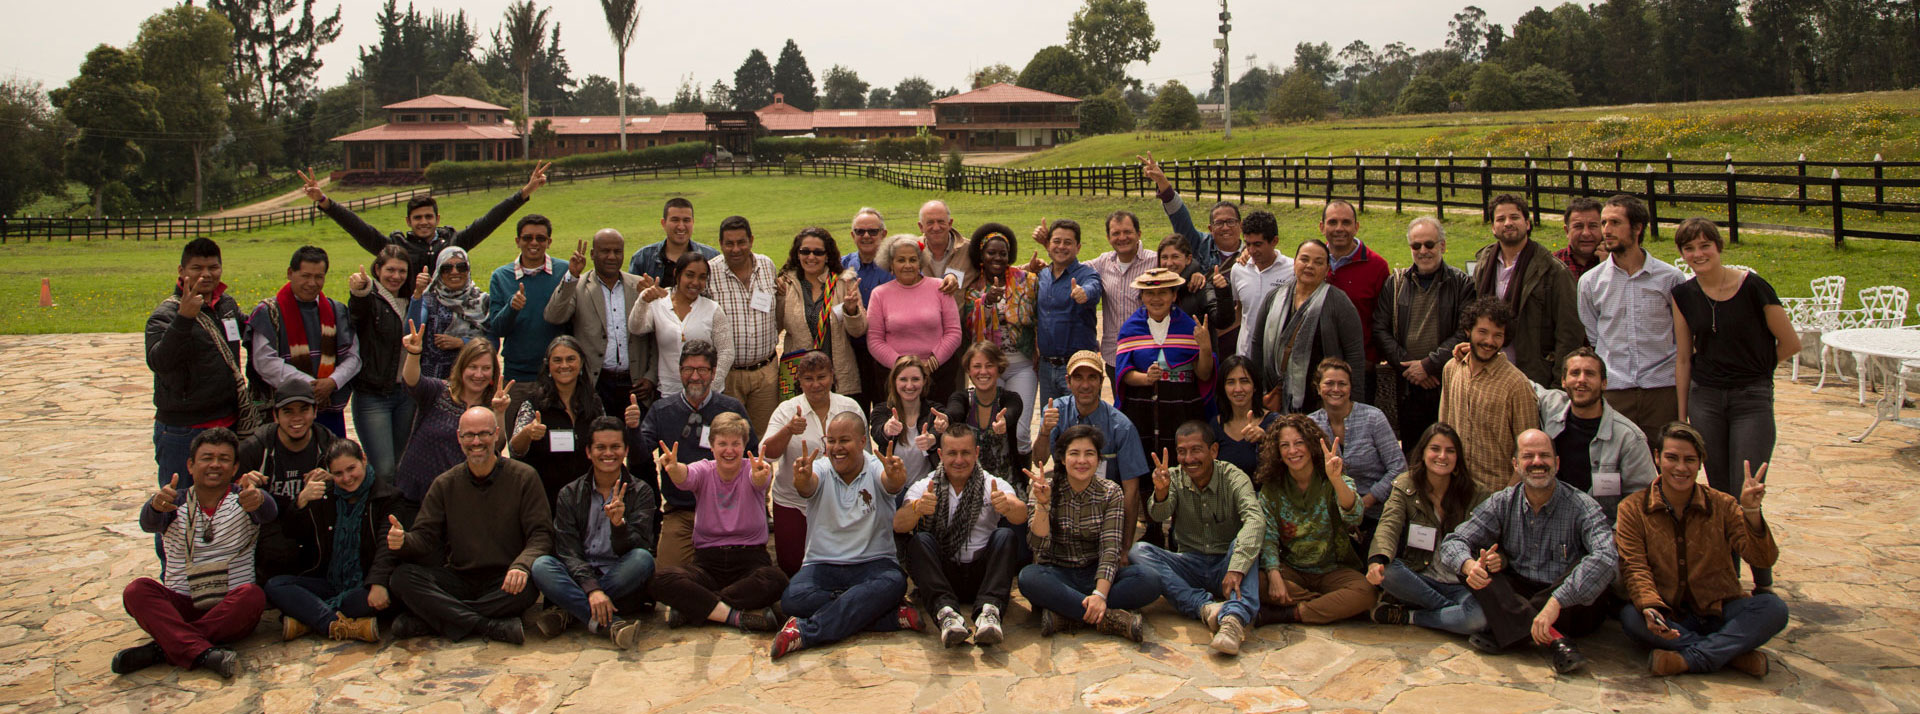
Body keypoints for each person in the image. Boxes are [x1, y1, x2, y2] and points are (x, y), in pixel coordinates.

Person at [1670, 218, 1799, 594]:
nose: (1698, 254)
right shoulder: (1683, 295)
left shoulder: (1753, 287)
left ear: (1718, 247)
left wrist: (1757, 370)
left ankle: (1762, 575)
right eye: (1689, 249)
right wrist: (1682, 417)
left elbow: (1789, 342)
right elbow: (1683, 358)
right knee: (1720, 492)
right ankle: (1729, 576)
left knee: (1749, 490)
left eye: (1704, 246)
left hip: (1751, 399)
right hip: (1706, 398)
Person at [1437, 430, 1618, 675]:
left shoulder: (1581, 505)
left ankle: (1511, 629)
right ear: (1516, 464)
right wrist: (1470, 566)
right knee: (1474, 571)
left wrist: (1557, 602)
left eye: (1544, 455)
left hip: (1568, 606)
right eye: (1528, 456)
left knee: (1588, 568)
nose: (1537, 462)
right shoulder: (1502, 502)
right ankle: (1555, 639)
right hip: (1521, 588)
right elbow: (1453, 542)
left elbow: (1607, 557)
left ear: (1557, 462)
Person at [1616, 422, 1785, 677]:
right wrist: (1650, 606)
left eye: (1689, 460)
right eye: (1672, 458)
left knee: (1774, 609)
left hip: (1720, 609)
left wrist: (1751, 513)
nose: (1681, 468)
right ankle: (1731, 655)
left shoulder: (1723, 505)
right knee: (1632, 617)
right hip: (1670, 613)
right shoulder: (1633, 508)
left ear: (1700, 462)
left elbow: (1762, 557)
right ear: (1657, 457)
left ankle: (1687, 659)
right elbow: (1634, 566)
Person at [113, 428, 274, 679]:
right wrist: (154, 507)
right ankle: (201, 650)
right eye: (207, 458)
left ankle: (163, 648)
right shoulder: (172, 501)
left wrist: (260, 500)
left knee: (253, 596)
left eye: (224, 459)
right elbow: (148, 522)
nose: (215, 465)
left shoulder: (245, 498)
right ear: (190, 465)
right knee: (137, 591)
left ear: (234, 468)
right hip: (182, 604)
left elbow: (268, 511)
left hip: (228, 605)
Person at [385, 407, 553, 644]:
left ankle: (433, 620)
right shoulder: (445, 483)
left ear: (496, 434)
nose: (476, 442)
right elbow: (424, 538)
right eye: (469, 435)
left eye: (483, 434)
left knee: (528, 587)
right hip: (460, 577)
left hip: (504, 578)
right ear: (459, 438)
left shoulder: (524, 477)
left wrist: (522, 565)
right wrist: (403, 541)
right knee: (402, 578)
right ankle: (487, 625)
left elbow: (541, 534)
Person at [769, 413, 920, 659]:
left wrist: (895, 479)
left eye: (845, 440)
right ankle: (883, 616)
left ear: (863, 442)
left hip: (873, 564)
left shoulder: (876, 467)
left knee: (895, 583)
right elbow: (808, 486)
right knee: (792, 600)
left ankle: (806, 632)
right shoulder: (818, 467)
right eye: (831, 440)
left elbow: (890, 483)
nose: (836, 448)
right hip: (822, 565)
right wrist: (803, 480)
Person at [300, 162, 548, 299]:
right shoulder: (395, 248)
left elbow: (490, 220)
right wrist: (324, 201)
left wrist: (525, 192)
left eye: (429, 216)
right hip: (407, 312)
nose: (424, 222)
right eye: (417, 218)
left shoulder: (453, 243)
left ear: (437, 218)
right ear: (408, 221)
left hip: (448, 313)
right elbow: (359, 228)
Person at [1016, 425, 1162, 641]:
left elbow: (1110, 550)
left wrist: (1101, 594)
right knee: (1028, 578)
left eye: (1089, 454)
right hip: (1058, 574)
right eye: (1074, 454)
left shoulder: (1110, 492)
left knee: (1150, 580)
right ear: (1063, 459)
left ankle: (1068, 615)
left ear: (1099, 459)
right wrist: (1043, 505)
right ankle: (1109, 618)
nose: (1082, 461)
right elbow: (1037, 546)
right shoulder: (1044, 488)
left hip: (1097, 575)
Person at [1130, 423, 1264, 655]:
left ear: (1213, 451)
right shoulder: (1173, 476)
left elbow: (1255, 520)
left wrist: (1237, 567)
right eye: (1182, 451)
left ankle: (1233, 620)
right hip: (1190, 564)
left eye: (1196, 450)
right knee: (1139, 551)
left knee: (1246, 543)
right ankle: (1205, 607)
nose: (1188, 458)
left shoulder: (1233, 477)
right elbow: (1158, 514)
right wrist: (1161, 492)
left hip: (1227, 564)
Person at [527, 416, 658, 648]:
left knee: (643, 559)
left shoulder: (641, 491)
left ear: (625, 450)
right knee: (541, 566)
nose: (608, 453)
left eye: (615, 447)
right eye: (601, 447)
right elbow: (567, 551)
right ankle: (612, 623)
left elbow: (641, 545)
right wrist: (593, 589)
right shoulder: (570, 493)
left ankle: (569, 610)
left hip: (619, 574)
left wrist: (619, 526)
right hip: (580, 573)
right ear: (588, 452)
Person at [653, 412, 789, 631]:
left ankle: (698, 607)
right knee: (662, 579)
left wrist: (759, 477)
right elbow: (684, 476)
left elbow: (759, 480)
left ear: (744, 445)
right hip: (708, 562)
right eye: (722, 443)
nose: (729, 450)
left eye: (736, 443)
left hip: (750, 560)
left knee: (776, 580)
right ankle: (733, 616)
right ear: (712, 446)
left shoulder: (754, 468)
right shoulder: (704, 469)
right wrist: (673, 468)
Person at [897, 424, 1027, 647]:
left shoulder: (991, 483)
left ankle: (990, 610)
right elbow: (899, 524)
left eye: (965, 453)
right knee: (920, 542)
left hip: (981, 573)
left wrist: (1007, 505)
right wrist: (917, 508)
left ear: (976, 453)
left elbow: (1021, 514)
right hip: (945, 573)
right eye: (952, 453)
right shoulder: (926, 486)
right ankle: (946, 613)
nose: (959, 460)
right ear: (940, 455)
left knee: (1005, 536)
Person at [1578, 194, 1687, 447]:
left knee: (1663, 466)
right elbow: (1595, 336)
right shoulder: (1590, 283)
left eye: (1615, 223)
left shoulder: (1670, 279)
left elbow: (1681, 336)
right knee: (1616, 471)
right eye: (1604, 223)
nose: (1606, 230)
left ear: (1637, 228)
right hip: (1616, 391)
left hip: (1662, 390)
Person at [263, 439, 397, 644]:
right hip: (330, 580)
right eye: (338, 474)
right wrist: (301, 502)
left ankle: (306, 619)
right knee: (276, 585)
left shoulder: (387, 497)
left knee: (368, 600)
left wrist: (378, 582)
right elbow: (293, 533)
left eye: (351, 469)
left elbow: (386, 547)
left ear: (363, 460)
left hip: (364, 583)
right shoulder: (327, 496)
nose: (347, 478)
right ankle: (336, 625)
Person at [1365, 424, 1492, 633]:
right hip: (1420, 576)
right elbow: (1389, 524)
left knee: (1478, 619)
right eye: (1435, 449)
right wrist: (1377, 560)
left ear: (1458, 457)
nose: (1442, 456)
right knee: (1387, 571)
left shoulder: (1477, 493)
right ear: (1422, 452)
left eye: (1450, 451)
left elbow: (1489, 537)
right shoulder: (1406, 484)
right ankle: (1453, 614)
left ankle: (1411, 616)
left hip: (1461, 582)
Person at [636, 340, 751, 571]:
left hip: (726, 510)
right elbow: (639, 455)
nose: (695, 376)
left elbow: (752, 455)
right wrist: (631, 429)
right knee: (666, 579)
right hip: (682, 512)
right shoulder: (661, 410)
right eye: (688, 369)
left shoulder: (732, 408)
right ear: (680, 371)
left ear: (714, 372)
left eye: (702, 370)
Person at [1252, 414, 1375, 624]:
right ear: (1277, 453)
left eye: (1299, 443)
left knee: (1366, 592)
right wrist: (1274, 575)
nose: (1293, 451)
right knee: (1255, 581)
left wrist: (1335, 480)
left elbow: (1355, 514)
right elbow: (1269, 538)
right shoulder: (1272, 489)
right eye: (1285, 445)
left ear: (1311, 446)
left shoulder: (1332, 478)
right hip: (1293, 570)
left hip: (1333, 569)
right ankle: (1327, 606)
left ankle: (1292, 613)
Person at [148, 237, 250, 487]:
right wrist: (184, 319)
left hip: (228, 424)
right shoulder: (165, 315)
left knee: (227, 507)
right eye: (197, 268)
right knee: (178, 507)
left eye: (213, 267)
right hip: (183, 431)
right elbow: (160, 362)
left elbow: (253, 332)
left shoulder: (226, 306)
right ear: (182, 271)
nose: (206, 274)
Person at [1034, 350, 1151, 552]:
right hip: (1065, 505)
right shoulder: (1055, 412)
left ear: (1101, 380)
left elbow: (1131, 491)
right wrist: (1044, 432)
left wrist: (1124, 549)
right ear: (1068, 381)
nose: (1085, 385)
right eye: (1078, 378)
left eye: (1092, 377)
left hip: (1106, 510)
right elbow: (1039, 461)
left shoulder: (1121, 427)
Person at [1373, 217, 1474, 447]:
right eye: (1416, 246)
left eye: (1429, 244)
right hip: (1408, 385)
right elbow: (1380, 329)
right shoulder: (1395, 283)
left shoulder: (1462, 284)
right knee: (1414, 451)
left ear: (1443, 245)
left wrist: (1428, 365)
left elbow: (1464, 332)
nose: (1423, 251)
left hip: (1447, 383)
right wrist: (1411, 367)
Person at [394, 327, 511, 525]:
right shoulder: (439, 391)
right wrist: (414, 353)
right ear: (461, 368)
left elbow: (497, 446)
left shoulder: (492, 406)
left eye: (485, 368)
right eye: (473, 367)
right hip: (412, 492)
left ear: (493, 373)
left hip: (455, 501)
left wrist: (499, 413)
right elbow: (412, 382)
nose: (478, 374)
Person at [762, 351, 864, 575]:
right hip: (794, 501)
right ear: (799, 380)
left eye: (822, 377)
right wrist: (788, 430)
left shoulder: (850, 407)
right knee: (792, 567)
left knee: (840, 565)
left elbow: (865, 457)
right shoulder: (786, 410)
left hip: (840, 499)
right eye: (809, 379)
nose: (816, 384)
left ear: (832, 376)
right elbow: (767, 454)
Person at [1532, 347, 1656, 520]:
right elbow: (1520, 381)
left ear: (1604, 383)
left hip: (1604, 528)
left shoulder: (1629, 438)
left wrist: (1615, 535)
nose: (1581, 380)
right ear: (1564, 381)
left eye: (1589, 374)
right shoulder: (1551, 406)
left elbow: (1642, 499)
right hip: (1553, 521)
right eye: (1575, 373)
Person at [545, 228, 657, 420]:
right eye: (605, 251)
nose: (612, 257)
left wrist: (651, 376)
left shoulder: (639, 286)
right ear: (592, 254)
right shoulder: (579, 286)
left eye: (617, 251)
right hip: (595, 384)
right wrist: (571, 276)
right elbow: (554, 316)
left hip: (635, 384)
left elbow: (656, 336)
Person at [249, 245, 360, 439]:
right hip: (285, 412)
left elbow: (353, 356)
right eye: (305, 276)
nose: (312, 283)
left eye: (319, 277)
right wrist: (311, 386)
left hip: (328, 409)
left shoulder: (336, 310)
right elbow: (264, 361)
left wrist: (333, 382)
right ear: (290, 273)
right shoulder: (269, 312)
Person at [1472, 194, 1583, 387]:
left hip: (1535, 376)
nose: (1508, 223)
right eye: (1501, 219)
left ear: (1528, 223)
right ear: (1493, 227)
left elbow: (1569, 333)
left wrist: (1560, 383)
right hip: (1490, 371)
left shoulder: (1552, 270)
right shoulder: (1483, 264)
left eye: (1514, 217)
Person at [1248, 240, 1365, 414]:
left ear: (1327, 270)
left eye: (1318, 262)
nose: (1310, 266)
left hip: (1322, 401)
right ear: (1294, 263)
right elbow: (1257, 345)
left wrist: (1352, 408)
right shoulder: (1274, 298)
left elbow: (1354, 355)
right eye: (1304, 259)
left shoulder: (1338, 302)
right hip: (1276, 396)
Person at [237, 381, 338, 583]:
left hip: (312, 524)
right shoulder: (256, 448)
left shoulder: (328, 443)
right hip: (269, 529)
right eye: (288, 411)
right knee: (279, 551)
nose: (297, 418)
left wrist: (335, 479)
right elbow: (226, 497)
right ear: (276, 416)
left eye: (304, 410)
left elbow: (361, 480)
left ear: (315, 411)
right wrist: (241, 487)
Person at [1438, 297, 1541, 491]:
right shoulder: (1452, 369)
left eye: (1497, 335)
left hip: (1497, 492)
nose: (1489, 341)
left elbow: (1527, 453)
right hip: (1457, 489)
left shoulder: (1516, 385)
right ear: (1468, 331)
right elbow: (1444, 430)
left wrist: (1506, 500)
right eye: (1483, 332)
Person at [1115, 267, 1216, 458]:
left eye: (1162, 293)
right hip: (1142, 406)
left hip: (1182, 405)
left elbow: (1203, 374)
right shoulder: (1130, 328)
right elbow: (1124, 373)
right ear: (1142, 297)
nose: (1156, 299)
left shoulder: (1189, 327)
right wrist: (1146, 378)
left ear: (1174, 295)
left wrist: (1205, 348)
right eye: (1150, 293)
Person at [959, 223, 1039, 456]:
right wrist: (986, 302)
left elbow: (1037, 317)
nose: (997, 258)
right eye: (991, 253)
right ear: (981, 256)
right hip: (989, 368)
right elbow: (971, 327)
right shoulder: (973, 290)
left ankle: (1023, 480)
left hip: (1021, 365)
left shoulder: (1027, 281)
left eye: (1002, 253)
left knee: (1021, 429)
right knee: (993, 427)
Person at [1308, 358, 1406, 546]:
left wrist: (1367, 501)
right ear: (1318, 388)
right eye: (1329, 383)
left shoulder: (1373, 417)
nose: (1336, 389)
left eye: (1342, 384)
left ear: (1350, 388)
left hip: (1377, 513)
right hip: (1331, 517)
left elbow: (1399, 467)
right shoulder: (1310, 425)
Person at [345, 247, 417, 487]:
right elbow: (357, 313)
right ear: (377, 270)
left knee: (401, 464)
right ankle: (375, 519)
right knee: (383, 468)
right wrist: (359, 291)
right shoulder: (370, 298)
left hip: (405, 394)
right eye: (390, 270)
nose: (396, 276)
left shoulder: (413, 300)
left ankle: (395, 517)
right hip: (373, 395)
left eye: (402, 271)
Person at [508, 336, 606, 508]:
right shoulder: (533, 403)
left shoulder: (594, 403)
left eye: (570, 359)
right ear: (548, 366)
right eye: (557, 360)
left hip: (586, 499)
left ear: (581, 363)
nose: (564, 366)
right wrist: (528, 433)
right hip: (543, 499)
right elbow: (515, 450)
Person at [707, 216, 782, 434]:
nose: (736, 249)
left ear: (751, 240)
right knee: (728, 438)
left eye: (741, 242)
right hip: (728, 375)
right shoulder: (710, 272)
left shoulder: (767, 265)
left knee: (763, 439)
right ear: (720, 244)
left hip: (765, 372)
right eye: (729, 243)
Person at [773, 227, 866, 403]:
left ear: (827, 255)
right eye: (805, 251)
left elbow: (858, 331)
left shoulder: (843, 282)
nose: (811, 257)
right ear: (797, 253)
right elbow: (774, 329)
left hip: (837, 377)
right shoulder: (786, 285)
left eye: (818, 252)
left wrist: (852, 310)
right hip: (798, 377)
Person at [867, 233, 963, 397]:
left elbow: (953, 332)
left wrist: (930, 364)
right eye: (901, 260)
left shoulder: (940, 287)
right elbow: (875, 340)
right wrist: (903, 366)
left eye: (913, 260)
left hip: (938, 373)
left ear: (921, 262)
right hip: (895, 377)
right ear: (891, 264)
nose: (908, 265)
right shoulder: (879, 294)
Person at [631, 253, 734, 398]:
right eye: (690, 275)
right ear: (677, 274)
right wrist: (643, 300)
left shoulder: (713, 309)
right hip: (669, 393)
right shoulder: (659, 304)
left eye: (702, 277)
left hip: (706, 395)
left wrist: (710, 387)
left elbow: (726, 352)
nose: (695, 282)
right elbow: (636, 327)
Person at [1318, 200, 1390, 404]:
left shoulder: (1376, 266)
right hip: (1318, 368)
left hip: (1359, 369)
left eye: (1346, 222)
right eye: (1332, 222)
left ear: (1356, 227)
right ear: (1321, 227)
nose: (1339, 228)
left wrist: (1370, 359)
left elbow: (1382, 319)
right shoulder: (1312, 262)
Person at [486, 214, 570, 383]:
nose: (534, 243)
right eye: (527, 238)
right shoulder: (501, 276)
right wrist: (512, 307)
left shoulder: (565, 271)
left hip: (558, 370)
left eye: (540, 238)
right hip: (518, 371)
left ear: (549, 242)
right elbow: (497, 328)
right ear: (518, 241)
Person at [1034, 219, 1103, 402]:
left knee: (1082, 426)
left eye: (1068, 242)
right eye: (1056, 241)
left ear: (1078, 247)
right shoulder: (1042, 275)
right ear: (1048, 245)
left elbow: (1094, 288)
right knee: (1050, 425)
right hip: (1046, 367)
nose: (1061, 247)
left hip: (1079, 369)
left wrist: (1084, 293)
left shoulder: (1086, 274)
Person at [1081, 211, 1159, 372]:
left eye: (1127, 232)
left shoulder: (1156, 261)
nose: (1122, 238)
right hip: (1115, 354)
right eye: (1116, 233)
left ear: (1138, 234)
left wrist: (1195, 274)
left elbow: (1181, 265)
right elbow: (1072, 268)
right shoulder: (1103, 263)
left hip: (1150, 353)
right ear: (1108, 238)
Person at [943, 342, 1024, 482]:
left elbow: (1012, 411)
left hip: (1006, 483)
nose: (983, 371)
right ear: (968, 370)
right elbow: (955, 411)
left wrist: (1005, 421)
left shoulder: (1010, 398)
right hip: (966, 482)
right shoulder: (961, 398)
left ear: (999, 369)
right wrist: (946, 418)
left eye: (989, 365)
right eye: (977, 366)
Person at [408, 247, 489, 381]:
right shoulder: (428, 299)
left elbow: (492, 343)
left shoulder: (482, 301)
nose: (455, 272)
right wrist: (417, 295)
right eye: (447, 268)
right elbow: (412, 332)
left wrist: (462, 342)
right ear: (438, 272)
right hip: (433, 381)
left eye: (461, 267)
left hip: (473, 380)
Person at [842, 208, 894, 408]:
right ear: (852, 235)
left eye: (873, 231)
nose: (866, 236)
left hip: (888, 353)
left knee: (889, 416)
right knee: (855, 415)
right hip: (853, 355)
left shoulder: (896, 265)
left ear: (884, 234)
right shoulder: (842, 266)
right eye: (860, 231)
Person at [871, 356, 947, 488]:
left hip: (926, 488)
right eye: (903, 379)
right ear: (894, 381)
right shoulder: (882, 410)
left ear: (924, 381)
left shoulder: (935, 411)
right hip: (891, 487)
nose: (909, 385)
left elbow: (942, 432)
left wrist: (933, 439)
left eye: (915, 379)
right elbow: (877, 433)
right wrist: (886, 430)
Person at [1155, 233, 1237, 352]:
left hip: (1199, 362)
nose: (1169, 263)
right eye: (1164, 257)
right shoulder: (1155, 289)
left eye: (1175, 256)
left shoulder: (1200, 287)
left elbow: (1223, 321)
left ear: (1188, 259)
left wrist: (1223, 291)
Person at [1230, 211, 1295, 356]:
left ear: (1274, 241)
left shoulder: (1293, 270)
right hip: (1245, 355)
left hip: (1276, 357)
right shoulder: (1238, 270)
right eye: (1248, 244)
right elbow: (1240, 310)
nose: (1252, 250)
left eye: (1258, 244)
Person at [1211, 355, 1279, 478]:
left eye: (1244, 381)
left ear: (1255, 387)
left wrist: (1266, 440)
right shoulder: (1215, 425)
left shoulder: (1274, 422)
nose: (1238, 389)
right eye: (1231, 382)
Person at [628, 197, 719, 287]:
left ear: (693, 222)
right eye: (675, 220)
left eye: (686, 220)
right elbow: (632, 295)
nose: (681, 226)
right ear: (663, 223)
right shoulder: (643, 258)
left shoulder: (711, 257)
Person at [916, 199, 971, 296]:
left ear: (950, 223)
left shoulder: (969, 250)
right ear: (921, 227)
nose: (936, 228)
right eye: (930, 222)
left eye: (941, 221)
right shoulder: (911, 251)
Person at [1555, 196, 1605, 279]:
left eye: (1592, 226)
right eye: (1578, 226)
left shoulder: (1617, 264)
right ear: (1567, 231)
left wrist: (1608, 268)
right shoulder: (1553, 265)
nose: (1586, 233)